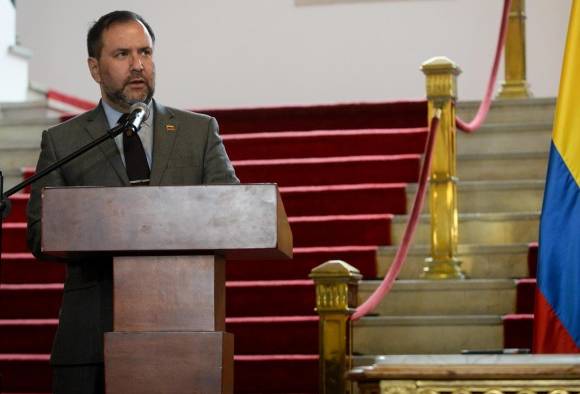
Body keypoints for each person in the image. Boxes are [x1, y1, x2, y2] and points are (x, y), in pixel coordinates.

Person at [26, 10, 238, 394]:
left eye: (145, 52)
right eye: (122, 54)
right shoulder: (64, 142)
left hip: (185, 330)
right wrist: (120, 224)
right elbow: (40, 233)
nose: (138, 65)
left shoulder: (198, 132)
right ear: (95, 68)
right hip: (91, 336)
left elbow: (232, 214)